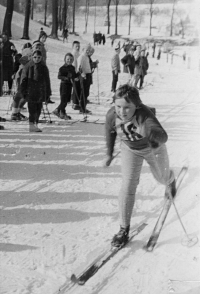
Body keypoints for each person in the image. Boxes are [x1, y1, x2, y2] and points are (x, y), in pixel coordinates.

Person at [104, 84, 176, 247]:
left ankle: (170, 179)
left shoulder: (144, 115)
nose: (122, 112)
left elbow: (163, 137)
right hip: (131, 149)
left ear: (137, 106)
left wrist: (148, 132)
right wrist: (109, 153)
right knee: (128, 186)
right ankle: (123, 229)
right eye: (118, 106)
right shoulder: (112, 115)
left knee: (161, 178)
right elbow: (110, 131)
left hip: (153, 149)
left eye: (127, 108)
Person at [20, 50, 52, 132]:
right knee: (32, 110)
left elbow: (47, 81)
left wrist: (48, 93)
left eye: (39, 57)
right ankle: (31, 125)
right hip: (30, 91)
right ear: (31, 57)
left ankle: (35, 124)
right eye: (35, 57)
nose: (37, 59)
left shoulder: (44, 67)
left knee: (38, 109)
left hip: (40, 92)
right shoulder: (28, 66)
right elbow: (23, 80)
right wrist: (23, 91)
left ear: (41, 58)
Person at [11, 42, 32, 121]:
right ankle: (14, 113)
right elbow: (19, 63)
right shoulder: (22, 57)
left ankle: (17, 112)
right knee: (20, 94)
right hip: (21, 76)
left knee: (26, 95)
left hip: (26, 77)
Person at [52, 53, 77, 120]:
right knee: (64, 100)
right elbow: (59, 76)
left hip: (70, 85)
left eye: (71, 59)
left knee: (66, 100)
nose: (69, 60)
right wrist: (66, 78)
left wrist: (78, 74)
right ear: (65, 60)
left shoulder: (72, 67)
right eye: (68, 59)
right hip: (64, 85)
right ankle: (62, 113)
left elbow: (74, 75)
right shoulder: (63, 68)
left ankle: (58, 111)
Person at [77, 44, 95, 114]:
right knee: (84, 92)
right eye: (86, 50)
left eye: (88, 50)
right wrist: (82, 74)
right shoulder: (81, 57)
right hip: (84, 76)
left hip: (88, 75)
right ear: (83, 50)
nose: (87, 51)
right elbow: (79, 67)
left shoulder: (87, 57)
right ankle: (82, 108)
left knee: (86, 92)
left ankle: (84, 107)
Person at [71, 41, 81, 110]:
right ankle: (74, 103)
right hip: (74, 72)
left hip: (78, 72)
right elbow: (74, 64)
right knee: (75, 87)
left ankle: (75, 102)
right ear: (73, 47)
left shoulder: (78, 53)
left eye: (78, 46)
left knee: (76, 87)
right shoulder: (73, 54)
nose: (77, 48)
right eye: (76, 46)